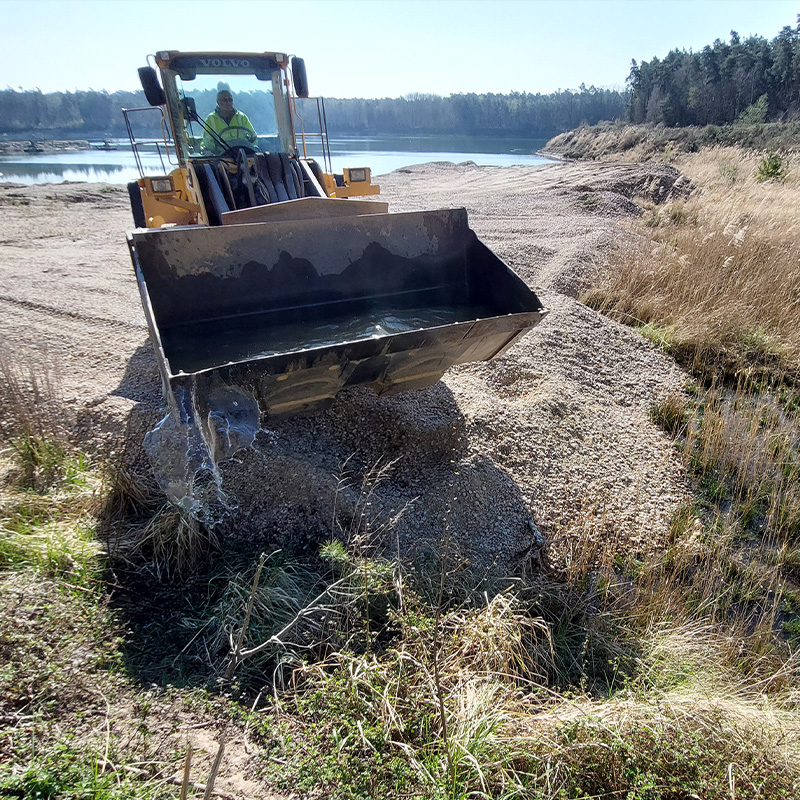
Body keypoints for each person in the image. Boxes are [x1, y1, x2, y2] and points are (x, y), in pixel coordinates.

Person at [202, 89, 257, 154]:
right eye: (225, 100)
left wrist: (252, 150)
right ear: (218, 102)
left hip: (242, 154)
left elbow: (253, 136)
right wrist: (215, 153)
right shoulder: (211, 119)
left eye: (230, 100)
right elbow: (208, 140)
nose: (228, 103)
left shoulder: (242, 117)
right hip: (223, 156)